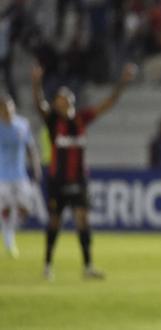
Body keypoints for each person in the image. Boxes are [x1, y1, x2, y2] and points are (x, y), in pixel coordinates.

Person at [31, 62, 136, 280]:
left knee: (83, 221)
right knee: (55, 223)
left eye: (65, 99)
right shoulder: (52, 121)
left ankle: (88, 266)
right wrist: (36, 82)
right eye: (59, 100)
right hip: (58, 181)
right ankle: (47, 265)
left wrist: (123, 83)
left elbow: (108, 103)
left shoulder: (81, 119)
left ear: (71, 101)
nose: (62, 103)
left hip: (79, 180)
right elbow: (39, 104)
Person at [0, 94, 41, 258]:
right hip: (2, 176)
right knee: (7, 208)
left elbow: (31, 148)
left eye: (9, 107)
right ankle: (9, 240)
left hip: (20, 175)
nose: (7, 111)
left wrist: (36, 168)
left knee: (25, 208)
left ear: (13, 108)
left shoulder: (22, 125)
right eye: (4, 108)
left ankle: (9, 231)